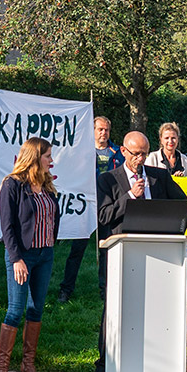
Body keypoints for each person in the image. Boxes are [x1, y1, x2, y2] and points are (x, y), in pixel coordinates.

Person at [87, 131, 187, 372]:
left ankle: (153, 367)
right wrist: (130, 196)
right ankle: (104, 366)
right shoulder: (108, 180)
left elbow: (185, 207)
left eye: (144, 153)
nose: (140, 159)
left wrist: (173, 231)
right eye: (135, 154)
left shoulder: (159, 177)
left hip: (157, 254)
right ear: (123, 151)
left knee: (153, 308)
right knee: (114, 308)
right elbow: (103, 216)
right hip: (120, 253)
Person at [0, 137, 60, 372]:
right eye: (48, 156)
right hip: (22, 256)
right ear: (35, 157)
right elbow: (7, 226)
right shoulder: (12, 184)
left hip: (45, 254)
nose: (51, 160)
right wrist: (16, 259)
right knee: (15, 311)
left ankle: (27, 365)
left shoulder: (46, 184)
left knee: (36, 309)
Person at [59, 116, 121, 304]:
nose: (103, 133)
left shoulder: (117, 152)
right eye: (100, 129)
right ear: (93, 131)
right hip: (85, 206)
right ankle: (66, 289)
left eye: (106, 130)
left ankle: (106, 290)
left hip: (107, 205)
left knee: (106, 249)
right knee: (77, 249)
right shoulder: (82, 151)